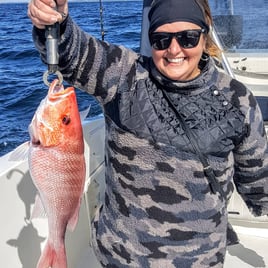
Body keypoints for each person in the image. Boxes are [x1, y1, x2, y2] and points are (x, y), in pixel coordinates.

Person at [28, 0, 268, 267]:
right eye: (161, 39)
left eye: (187, 38)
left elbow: (259, 185)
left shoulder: (237, 100)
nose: (174, 50)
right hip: (119, 258)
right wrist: (55, 21)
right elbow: (72, 54)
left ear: (204, 34)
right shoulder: (124, 76)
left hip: (199, 260)